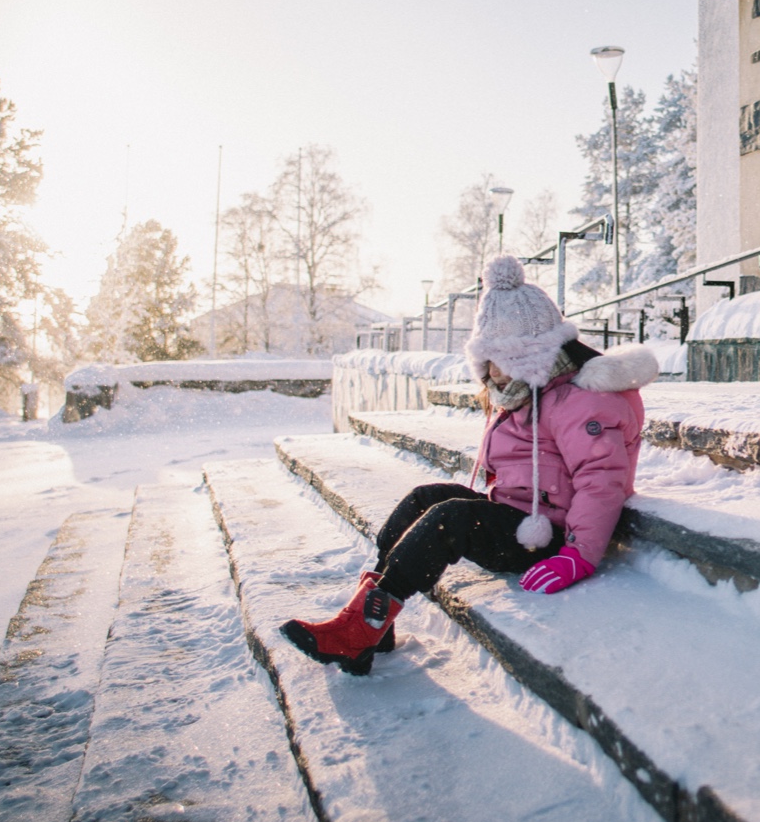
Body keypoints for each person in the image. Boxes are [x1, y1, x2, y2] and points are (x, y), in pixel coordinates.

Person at [281, 254, 659, 674]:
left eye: (498, 360)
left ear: (530, 355)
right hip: (519, 514)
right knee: (426, 498)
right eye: (486, 360)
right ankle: (372, 622)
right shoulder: (525, 391)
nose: (489, 372)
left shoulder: (580, 402)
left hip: (546, 537)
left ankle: (359, 632)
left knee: (452, 518)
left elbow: (600, 480)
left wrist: (578, 555)